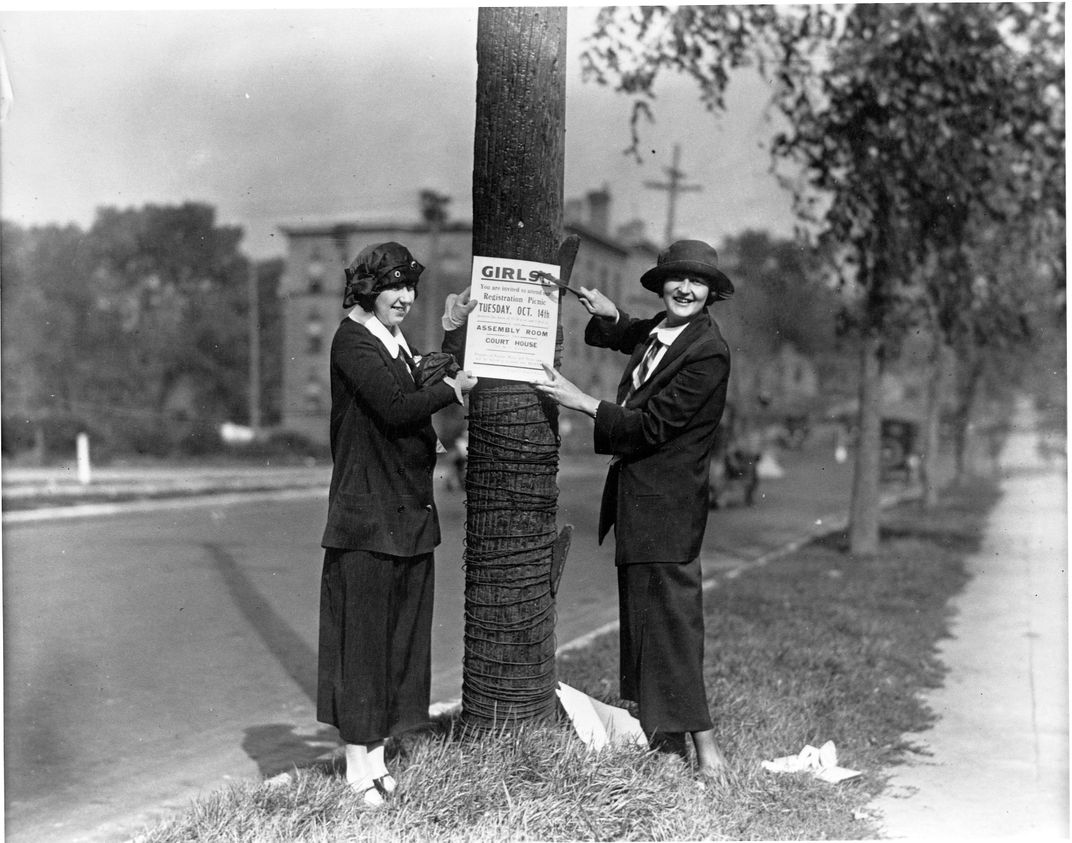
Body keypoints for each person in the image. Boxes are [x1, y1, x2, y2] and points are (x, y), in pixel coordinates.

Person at [533, 239, 734, 779]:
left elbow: (652, 426)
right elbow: (635, 335)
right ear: (662, 284)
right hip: (640, 502)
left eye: (696, 282)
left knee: (672, 621)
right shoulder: (665, 332)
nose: (685, 289)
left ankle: (708, 752)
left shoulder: (708, 351)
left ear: (711, 292)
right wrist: (612, 315)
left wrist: (582, 401)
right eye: (676, 279)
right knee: (646, 622)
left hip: (668, 506)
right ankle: (666, 743)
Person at [317, 241, 477, 808]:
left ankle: (378, 758)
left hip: (404, 513)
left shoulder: (395, 340)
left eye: (411, 287)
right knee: (362, 646)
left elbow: (425, 379)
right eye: (394, 286)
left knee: (395, 644)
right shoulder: (352, 340)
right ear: (367, 290)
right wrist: (449, 389)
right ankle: (358, 768)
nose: (405, 297)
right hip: (366, 517)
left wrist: (453, 336)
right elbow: (394, 404)